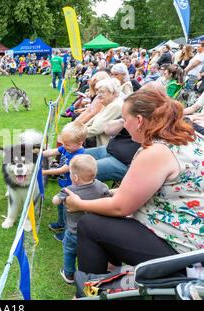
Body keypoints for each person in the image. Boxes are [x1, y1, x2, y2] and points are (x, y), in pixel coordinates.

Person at [64, 86, 204, 275]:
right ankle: (112, 269)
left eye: (124, 119)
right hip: (193, 237)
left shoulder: (155, 152)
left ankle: (88, 289)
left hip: (182, 249)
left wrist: (80, 203)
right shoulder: (189, 135)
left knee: (89, 225)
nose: (123, 124)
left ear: (139, 120)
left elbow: (121, 207)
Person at [52, 154, 112, 283]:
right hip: (94, 230)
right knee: (87, 252)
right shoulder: (101, 186)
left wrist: (59, 198)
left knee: (69, 252)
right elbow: (108, 196)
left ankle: (69, 275)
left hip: (74, 231)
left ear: (76, 177)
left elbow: (55, 201)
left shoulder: (68, 190)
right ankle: (84, 270)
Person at [42, 121, 87, 242]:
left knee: (69, 212)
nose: (65, 146)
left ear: (79, 143)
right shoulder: (69, 147)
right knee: (61, 206)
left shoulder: (78, 155)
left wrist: (45, 172)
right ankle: (60, 223)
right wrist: (41, 154)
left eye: (67, 145)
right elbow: (55, 151)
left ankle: (67, 232)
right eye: (64, 143)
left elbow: (62, 169)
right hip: (65, 185)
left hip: (73, 188)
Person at [84, 78, 123, 147]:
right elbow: (92, 121)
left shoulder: (115, 105)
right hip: (99, 143)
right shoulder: (107, 103)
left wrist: (75, 134)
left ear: (112, 93)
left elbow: (97, 129)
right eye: (98, 92)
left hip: (107, 148)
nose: (98, 95)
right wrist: (78, 128)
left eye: (102, 92)